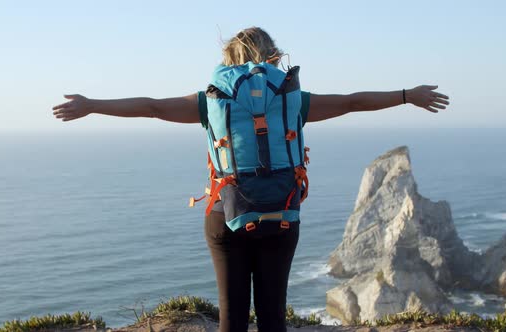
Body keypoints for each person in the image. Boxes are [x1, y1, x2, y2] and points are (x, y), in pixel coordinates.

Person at [52, 27, 449, 332]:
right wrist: (406, 94)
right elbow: (352, 102)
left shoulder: (212, 100)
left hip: (227, 215)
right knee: (274, 315)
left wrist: (92, 106)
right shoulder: (292, 99)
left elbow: (153, 107)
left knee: (232, 315)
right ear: (273, 56)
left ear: (229, 59)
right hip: (282, 213)